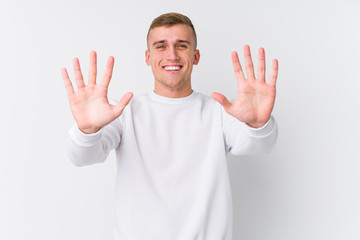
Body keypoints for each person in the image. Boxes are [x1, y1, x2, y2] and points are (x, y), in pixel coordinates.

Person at [62, 12, 278, 240]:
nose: (172, 55)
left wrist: (257, 123)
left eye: (182, 46)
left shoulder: (219, 111)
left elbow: (259, 145)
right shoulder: (124, 111)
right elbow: (82, 157)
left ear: (196, 56)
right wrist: (87, 130)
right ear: (148, 57)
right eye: (161, 46)